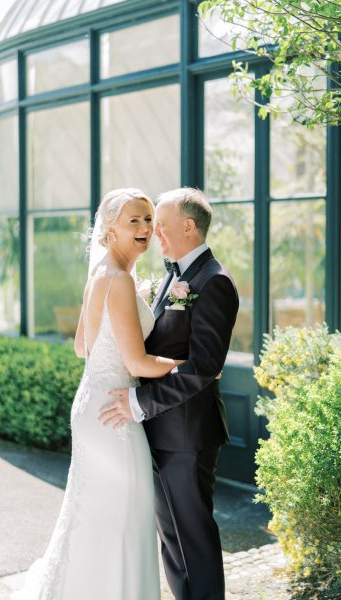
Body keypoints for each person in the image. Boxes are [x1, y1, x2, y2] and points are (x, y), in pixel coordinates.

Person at [12, 188, 184, 600]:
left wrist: (125, 319)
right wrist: (193, 368)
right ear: (110, 229)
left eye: (147, 219)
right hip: (115, 415)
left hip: (93, 404)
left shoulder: (101, 274)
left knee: (97, 514)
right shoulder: (119, 279)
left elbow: (81, 347)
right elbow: (140, 364)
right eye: (134, 221)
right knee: (126, 515)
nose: (145, 228)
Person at [100, 187, 239, 600]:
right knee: (172, 543)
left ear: (189, 226)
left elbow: (203, 367)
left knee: (193, 539)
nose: (153, 230)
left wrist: (137, 403)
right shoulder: (173, 275)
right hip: (159, 432)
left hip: (188, 437)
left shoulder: (213, 282)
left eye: (159, 222)